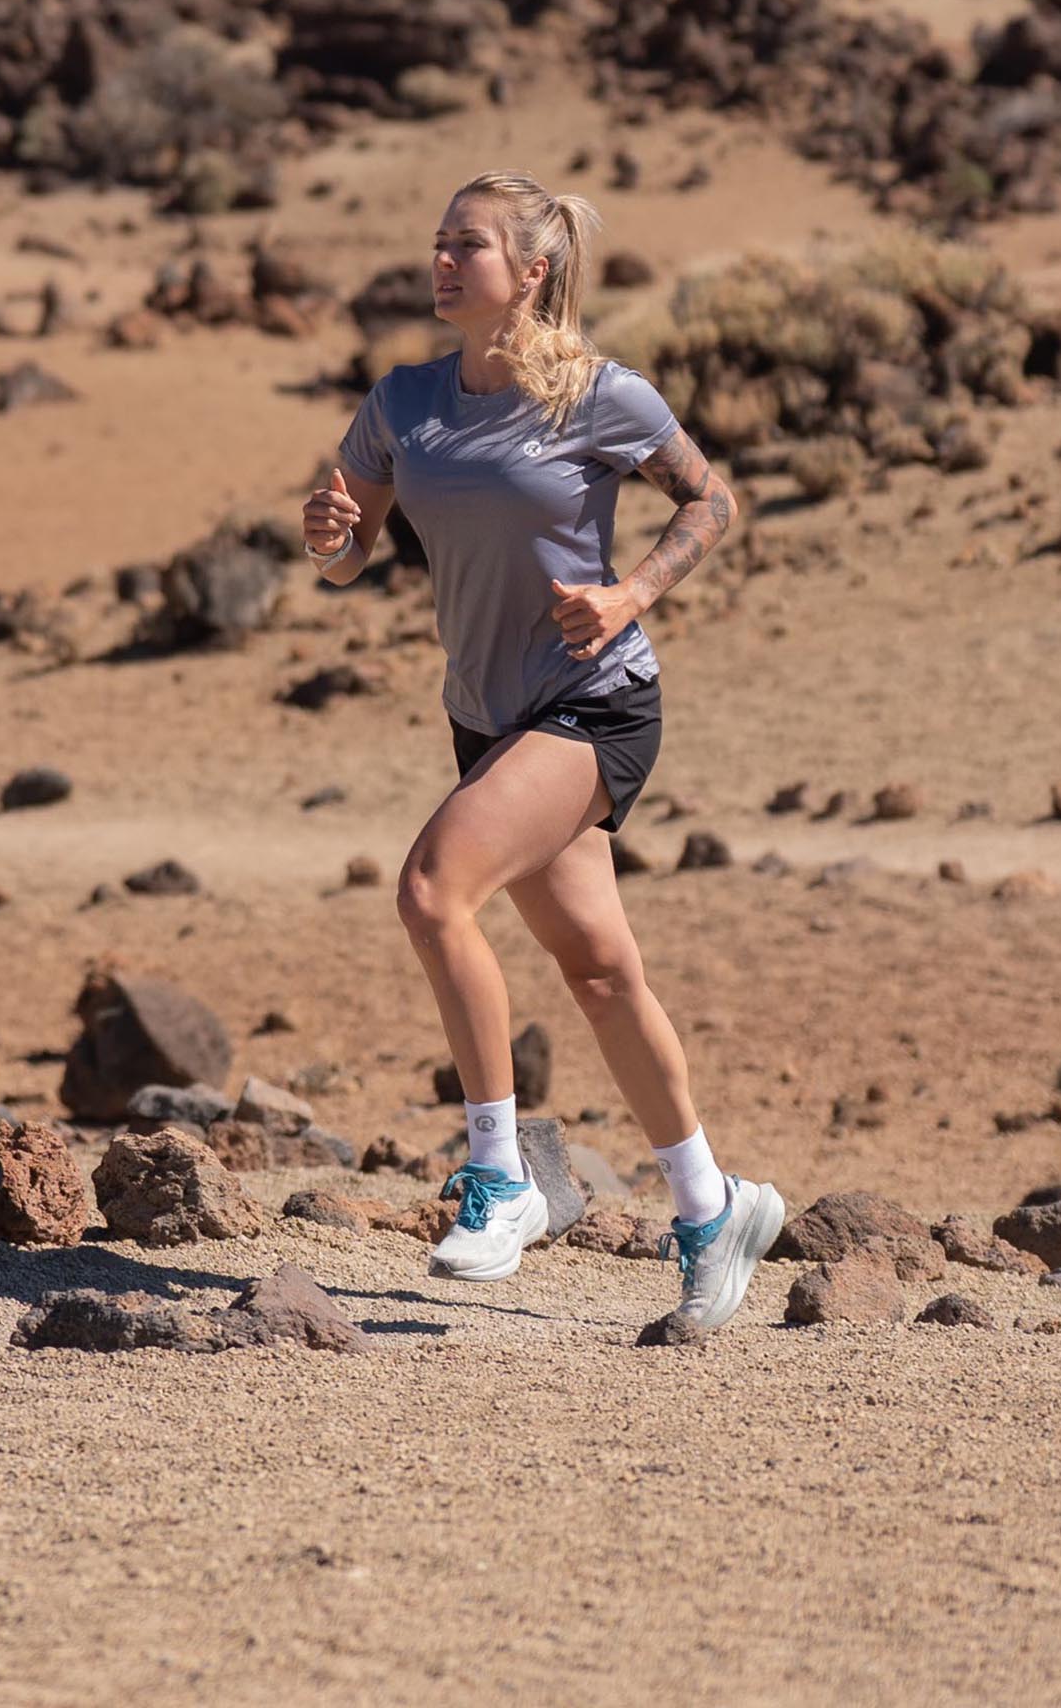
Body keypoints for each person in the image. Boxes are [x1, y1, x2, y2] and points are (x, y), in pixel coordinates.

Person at [301, 170, 783, 1337]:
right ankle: (709, 1203)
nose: (442, 260)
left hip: (592, 703)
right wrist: (331, 544)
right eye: (436, 242)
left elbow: (708, 501)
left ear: (530, 271)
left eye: (466, 244)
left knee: (430, 890)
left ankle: (500, 1174)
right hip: (484, 716)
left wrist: (629, 593)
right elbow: (350, 542)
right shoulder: (401, 402)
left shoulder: (599, 396)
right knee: (601, 971)